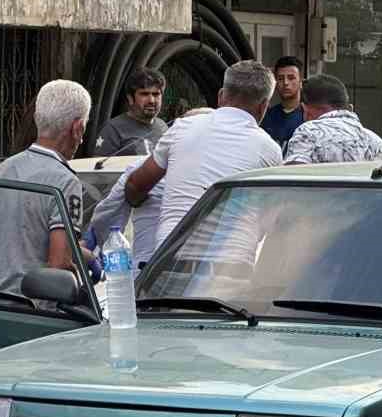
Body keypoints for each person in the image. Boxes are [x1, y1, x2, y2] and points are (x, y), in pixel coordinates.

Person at [126, 61, 282, 252]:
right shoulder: (269, 149)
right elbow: (269, 218)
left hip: (171, 258)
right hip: (232, 262)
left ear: (221, 96)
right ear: (264, 106)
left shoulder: (183, 127)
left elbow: (136, 185)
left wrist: (137, 201)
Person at [0, 79, 93, 296]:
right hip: (33, 314)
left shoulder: (4, 169)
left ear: (37, 119)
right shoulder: (66, 181)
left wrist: (5, 273)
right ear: (77, 128)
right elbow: (59, 264)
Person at [88, 107, 214, 271]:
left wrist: (98, 242)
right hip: (203, 279)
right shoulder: (218, 176)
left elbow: (107, 215)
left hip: (146, 276)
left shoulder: (143, 170)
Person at [282, 74, 382, 166]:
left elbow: (292, 184)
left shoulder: (307, 134)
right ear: (350, 108)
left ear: (305, 110)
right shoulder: (377, 142)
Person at [95, 68, 168, 157]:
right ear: (130, 98)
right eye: (144, 94)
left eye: (156, 94)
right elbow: (99, 168)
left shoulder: (163, 127)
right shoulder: (112, 130)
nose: (151, 100)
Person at [260, 56, 306, 147]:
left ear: (301, 82)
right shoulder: (265, 116)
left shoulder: (308, 116)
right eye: (280, 78)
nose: (285, 83)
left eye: (291, 78)